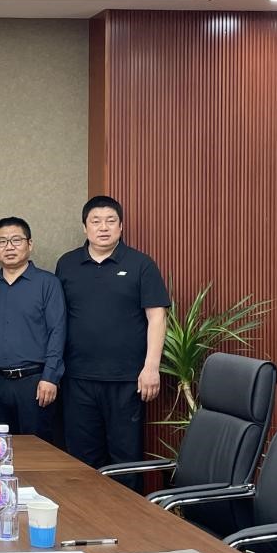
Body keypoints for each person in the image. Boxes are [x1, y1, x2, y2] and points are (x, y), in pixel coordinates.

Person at [55, 196, 169, 484]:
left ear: (121, 226)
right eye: (95, 221)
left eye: (110, 221)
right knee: (81, 461)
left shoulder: (141, 264)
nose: (103, 228)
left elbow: (157, 317)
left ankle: (128, 514)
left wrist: (151, 367)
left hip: (126, 380)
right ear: (85, 227)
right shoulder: (67, 264)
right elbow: (57, 319)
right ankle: (85, 512)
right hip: (78, 379)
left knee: (126, 461)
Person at [0, 216, 66, 441]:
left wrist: (50, 377)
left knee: (37, 450)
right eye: (2, 241)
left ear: (30, 244)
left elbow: (57, 332)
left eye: (16, 240)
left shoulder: (48, 283)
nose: (9, 247)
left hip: (35, 382)